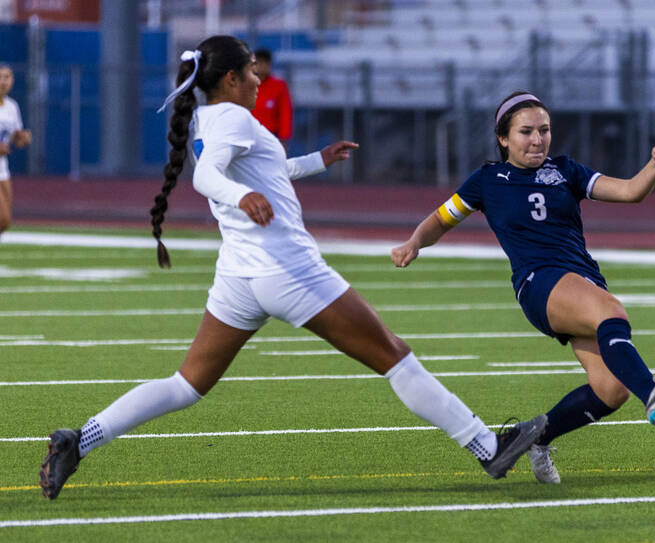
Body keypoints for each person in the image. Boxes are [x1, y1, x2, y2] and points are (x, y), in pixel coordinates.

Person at [38, 36, 544, 500]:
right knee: (394, 356)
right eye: (253, 73)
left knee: (185, 385)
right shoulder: (233, 119)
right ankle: (486, 446)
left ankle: (79, 440)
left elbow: (262, 167)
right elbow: (212, 177)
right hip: (287, 270)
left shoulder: (207, 118)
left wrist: (317, 161)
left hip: (239, 276)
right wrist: (245, 195)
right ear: (231, 79)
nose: (260, 80)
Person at [391, 91, 655, 484]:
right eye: (526, 132)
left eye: (544, 130)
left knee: (610, 389)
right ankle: (653, 391)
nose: (537, 139)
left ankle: (537, 440)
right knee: (611, 312)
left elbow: (630, 192)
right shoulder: (487, 180)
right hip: (539, 282)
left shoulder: (566, 170)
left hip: (581, 280)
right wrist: (416, 241)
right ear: (503, 139)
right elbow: (441, 219)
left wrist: (654, 165)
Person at [0, 63, 32, 235]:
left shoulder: (12, 107)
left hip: (3, 169)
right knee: (2, 217)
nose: (3, 81)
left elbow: (14, 138)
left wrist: (23, 139)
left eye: (7, 77)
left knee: (5, 223)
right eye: (0, 77)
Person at [251, 48, 292, 145]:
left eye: (265, 63)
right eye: (259, 63)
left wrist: (284, 139)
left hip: (271, 136)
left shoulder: (279, 86)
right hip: (249, 136)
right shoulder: (247, 84)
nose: (262, 67)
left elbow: (285, 113)